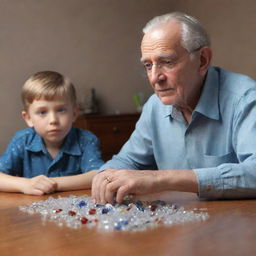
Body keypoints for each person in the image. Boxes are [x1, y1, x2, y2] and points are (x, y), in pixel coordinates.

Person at [92, 12, 256, 204]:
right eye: (148, 65)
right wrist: (105, 176)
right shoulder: (154, 106)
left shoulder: (245, 99)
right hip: (179, 226)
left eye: (167, 62)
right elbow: (126, 161)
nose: (154, 78)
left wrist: (158, 178)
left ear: (203, 60)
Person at [0, 71, 104, 195]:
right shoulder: (22, 140)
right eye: (42, 112)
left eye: (61, 110)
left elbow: (98, 175)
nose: (53, 120)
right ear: (28, 118)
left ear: (74, 113)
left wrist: (52, 183)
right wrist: (25, 184)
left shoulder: (86, 140)